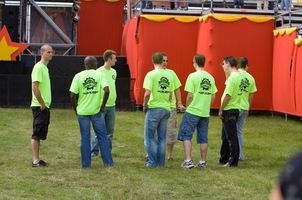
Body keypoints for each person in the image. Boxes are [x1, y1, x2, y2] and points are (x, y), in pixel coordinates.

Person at [70, 56, 113, 168]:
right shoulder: (100, 75)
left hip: (82, 111)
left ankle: (86, 164)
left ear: (85, 65)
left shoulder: (78, 76)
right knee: (102, 137)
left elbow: (72, 94)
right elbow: (107, 90)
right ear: (95, 64)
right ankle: (108, 163)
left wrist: (75, 108)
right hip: (96, 111)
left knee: (85, 137)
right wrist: (102, 106)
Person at [178, 54, 218, 169]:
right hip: (205, 112)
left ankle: (188, 160)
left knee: (186, 135)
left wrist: (187, 106)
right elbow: (213, 96)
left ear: (195, 62)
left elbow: (190, 95)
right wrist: (206, 105)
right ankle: (202, 162)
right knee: (203, 138)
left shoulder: (192, 76)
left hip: (193, 111)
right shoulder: (210, 77)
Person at [143, 52, 174, 167]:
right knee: (162, 138)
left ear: (153, 61)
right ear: (162, 61)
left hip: (154, 107)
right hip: (166, 108)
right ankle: (161, 163)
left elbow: (147, 93)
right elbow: (171, 95)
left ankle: (152, 162)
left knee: (149, 137)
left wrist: (144, 105)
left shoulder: (151, 75)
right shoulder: (169, 75)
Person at [91, 50, 117, 156]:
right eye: (114, 58)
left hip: (112, 105)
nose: (116, 60)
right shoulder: (98, 72)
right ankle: (93, 151)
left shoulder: (114, 72)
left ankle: (107, 151)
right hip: (101, 105)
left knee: (109, 131)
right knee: (98, 130)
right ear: (108, 59)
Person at [30, 44, 53, 167]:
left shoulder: (45, 68)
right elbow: (35, 86)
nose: (51, 54)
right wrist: (41, 103)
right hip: (39, 106)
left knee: (40, 133)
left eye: (51, 52)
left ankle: (38, 159)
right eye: (48, 52)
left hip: (44, 106)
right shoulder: (38, 67)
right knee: (36, 133)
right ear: (42, 53)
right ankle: (35, 160)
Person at [218, 56, 242, 167]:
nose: (222, 66)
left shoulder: (233, 78)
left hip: (229, 109)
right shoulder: (237, 76)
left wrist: (221, 109)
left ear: (228, 63)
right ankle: (224, 158)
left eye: (223, 64)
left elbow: (228, 96)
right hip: (235, 108)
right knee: (226, 137)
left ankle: (233, 162)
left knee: (231, 137)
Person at [162, 53, 185, 161]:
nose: (165, 63)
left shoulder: (171, 73)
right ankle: (152, 153)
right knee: (155, 131)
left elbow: (177, 89)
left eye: (167, 61)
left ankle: (169, 155)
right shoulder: (154, 73)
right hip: (158, 106)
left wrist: (179, 103)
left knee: (170, 131)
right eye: (163, 61)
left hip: (171, 107)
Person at [236, 57, 257, 161]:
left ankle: (234, 153)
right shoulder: (251, 78)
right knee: (239, 131)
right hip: (244, 106)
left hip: (234, 106)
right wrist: (248, 107)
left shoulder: (234, 75)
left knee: (231, 132)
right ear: (246, 66)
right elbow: (251, 95)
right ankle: (240, 154)